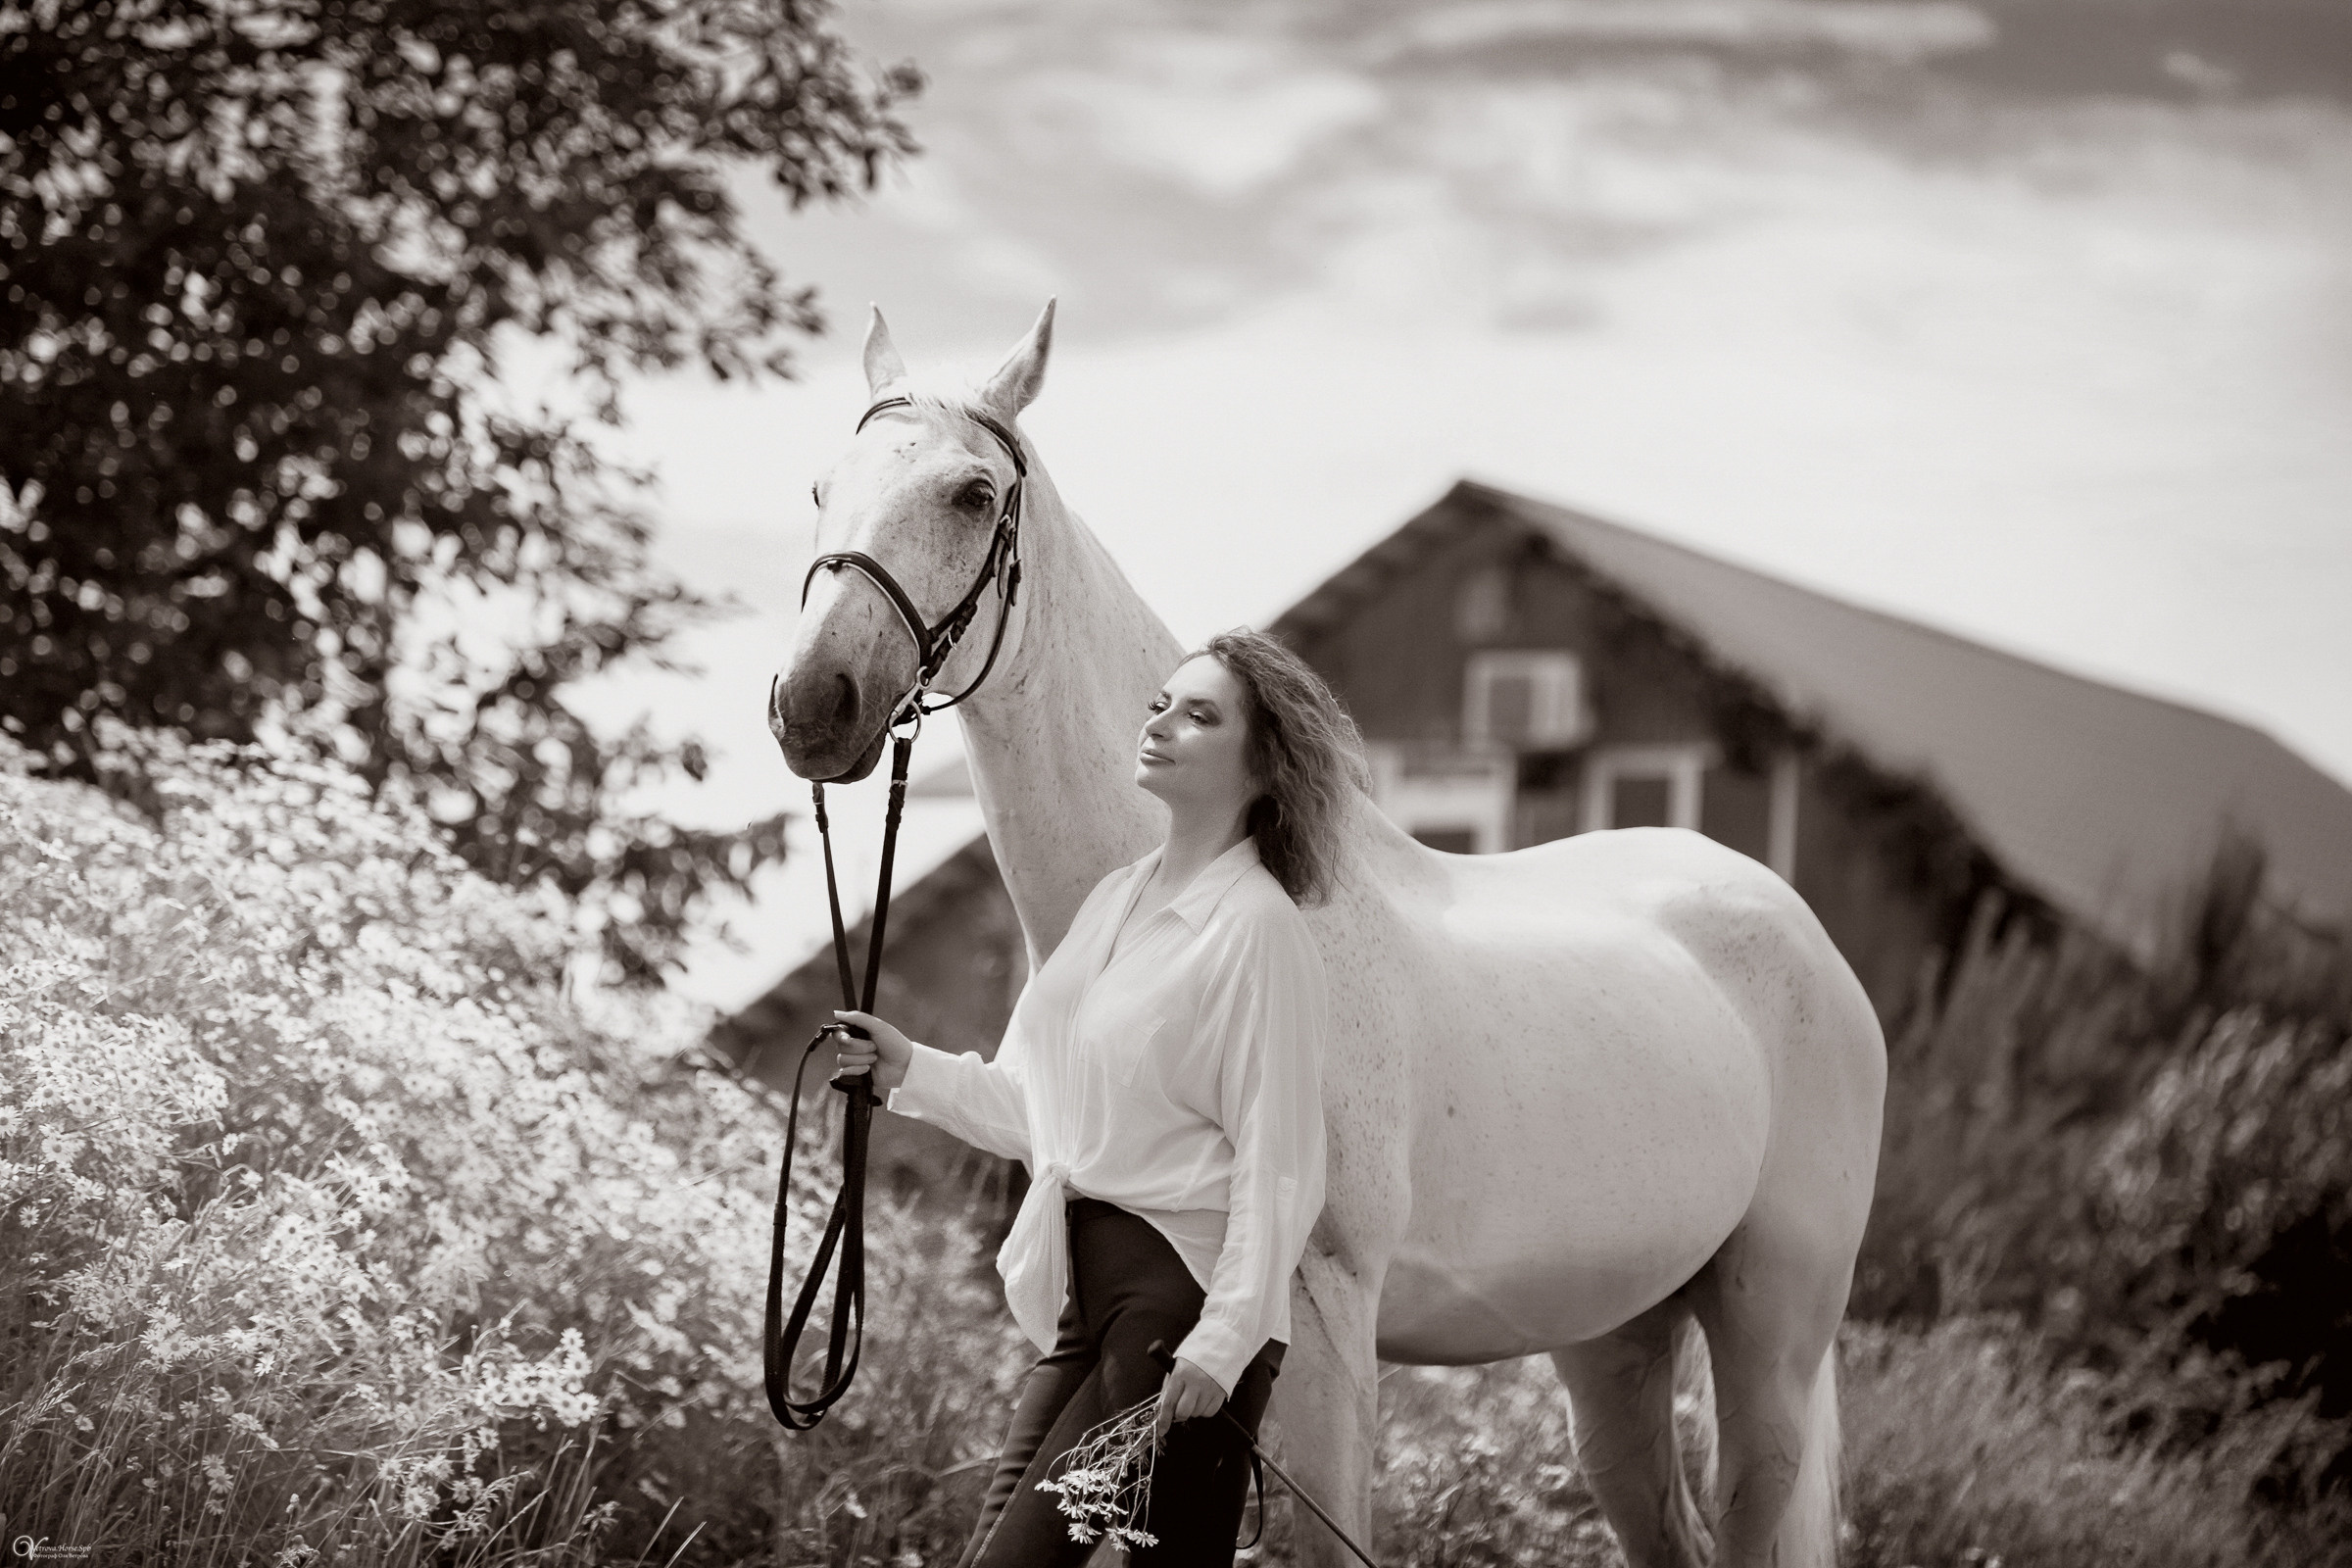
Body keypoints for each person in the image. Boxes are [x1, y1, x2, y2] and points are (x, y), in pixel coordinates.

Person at [831, 627, 1364, 1568]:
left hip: (1182, 1305)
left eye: (1200, 715)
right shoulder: (1116, 897)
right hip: (1093, 1293)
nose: (1161, 723)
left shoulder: (1257, 931)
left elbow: (1282, 1162)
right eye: (1161, 703)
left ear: (1265, 766)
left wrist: (1226, 1337)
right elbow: (1046, 1107)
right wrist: (908, 1069)